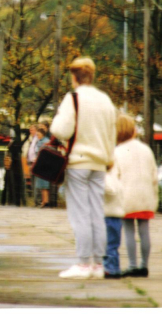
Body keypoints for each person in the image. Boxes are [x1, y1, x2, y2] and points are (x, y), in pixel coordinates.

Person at [50, 57, 117, 280]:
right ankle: (98, 264)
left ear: (74, 77)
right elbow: (111, 131)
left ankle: (82, 263)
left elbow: (62, 129)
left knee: (80, 214)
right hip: (99, 163)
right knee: (97, 212)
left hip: (78, 162)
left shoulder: (74, 98)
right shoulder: (105, 100)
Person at [111, 114, 158, 278]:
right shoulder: (146, 149)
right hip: (145, 196)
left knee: (129, 231)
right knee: (144, 231)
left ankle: (132, 265)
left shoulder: (117, 152)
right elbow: (154, 175)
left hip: (127, 196)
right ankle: (144, 265)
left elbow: (114, 177)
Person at [103, 161, 125, 279]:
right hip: (117, 214)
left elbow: (109, 190)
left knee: (109, 244)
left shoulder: (105, 177)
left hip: (109, 214)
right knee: (114, 243)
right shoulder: (116, 178)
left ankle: (110, 268)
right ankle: (115, 268)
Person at [33, 127, 50, 208]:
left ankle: (46, 201)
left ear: (42, 134)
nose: (37, 136)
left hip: (44, 164)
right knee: (42, 184)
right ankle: (44, 201)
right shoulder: (40, 141)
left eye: (38, 134)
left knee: (44, 184)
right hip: (40, 164)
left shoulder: (45, 142)